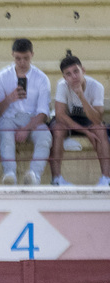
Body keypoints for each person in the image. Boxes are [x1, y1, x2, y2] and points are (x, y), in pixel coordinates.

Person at [0, 38, 52, 186]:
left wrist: (26, 128)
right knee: (5, 133)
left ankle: (34, 176)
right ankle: (9, 174)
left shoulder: (42, 78)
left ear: (32, 55)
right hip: (8, 118)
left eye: (26, 58)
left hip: (33, 119)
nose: (22, 62)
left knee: (45, 137)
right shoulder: (1, 77)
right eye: (18, 58)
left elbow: (43, 113)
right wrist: (9, 99)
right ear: (12, 55)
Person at [48, 55, 110, 187]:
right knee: (57, 130)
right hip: (67, 120)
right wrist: (86, 132)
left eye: (76, 71)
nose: (74, 76)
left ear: (83, 70)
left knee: (100, 130)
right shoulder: (62, 85)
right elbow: (60, 115)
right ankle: (57, 179)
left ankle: (106, 179)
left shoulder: (96, 87)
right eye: (68, 74)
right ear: (65, 77)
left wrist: (82, 96)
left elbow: (97, 119)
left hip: (87, 118)